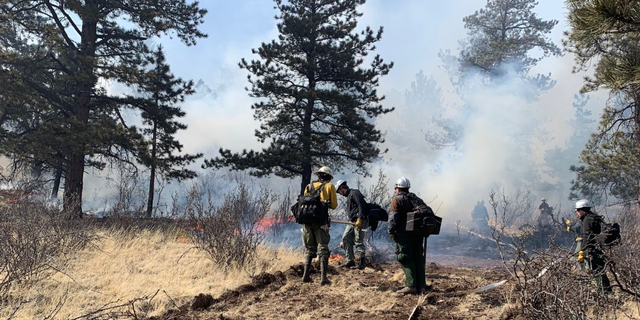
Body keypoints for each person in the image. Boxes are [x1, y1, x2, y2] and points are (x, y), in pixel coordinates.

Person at [388, 177, 428, 294]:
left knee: (404, 257)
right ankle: (422, 286)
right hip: (418, 234)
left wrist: (391, 232)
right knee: (418, 258)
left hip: (404, 235)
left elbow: (393, 218)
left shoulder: (397, 200)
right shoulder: (417, 199)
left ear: (398, 189)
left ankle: (410, 285)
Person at [301, 166, 338, 285]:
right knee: (323, 248)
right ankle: (323, 278)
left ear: (319, 175)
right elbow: (334, 205)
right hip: (321, 222)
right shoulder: (329, 187)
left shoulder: (309, 186)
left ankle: (305, 276)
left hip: (307, 222)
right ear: (328, 177)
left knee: (309, 248)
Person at [575, 199, 612, 293]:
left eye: (577, 210)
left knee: (597, 271)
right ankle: (607, 291)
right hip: (599, 248)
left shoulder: (587, 220)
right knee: (601, 270)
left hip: (593, 249)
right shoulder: (594, 217)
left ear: (582, 210)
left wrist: (582, 250)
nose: (576, 213)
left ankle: (604, 293)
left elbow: (586, 236)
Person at [335, 180, 368, 269]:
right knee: (346, 238)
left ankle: (362, 263)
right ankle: (350, 261)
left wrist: (360, 218)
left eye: (339, 191)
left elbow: (361, 205)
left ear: (342, 188)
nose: (339, 193)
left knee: (358, 241)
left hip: (359, 220)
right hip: (351, 221)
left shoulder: (355, 193)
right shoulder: (349, 196)